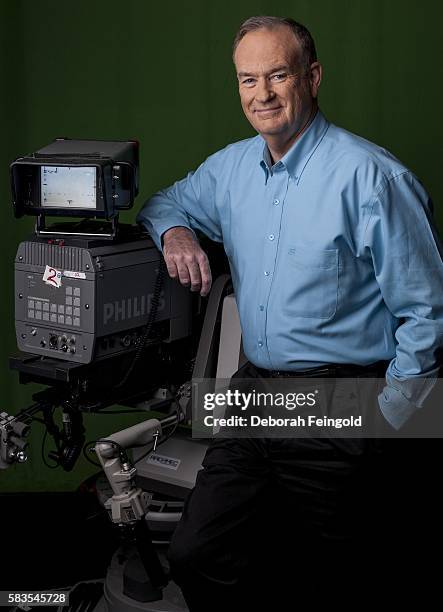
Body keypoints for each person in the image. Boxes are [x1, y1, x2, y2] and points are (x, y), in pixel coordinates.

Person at [137, 16, 443, 610]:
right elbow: (165, 201)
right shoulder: (230, 169)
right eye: (248, 80)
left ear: (313, 76)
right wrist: (176, 233)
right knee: (199, 554)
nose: (263, 94)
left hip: (344, 402)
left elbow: (428, 310)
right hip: (254, 395)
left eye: (278, 75)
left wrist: (389, 416)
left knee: (337, 573)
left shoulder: (371, 178)